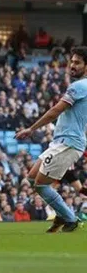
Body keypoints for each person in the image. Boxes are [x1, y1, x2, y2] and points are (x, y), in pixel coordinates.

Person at [15, 46, 87, 233]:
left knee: (40, 184)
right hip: (61, 142)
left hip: (68, 142)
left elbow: (56, 110)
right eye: (71, 61)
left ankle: (69, 218)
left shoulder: (80, 86)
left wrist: (32, 129)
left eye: (77, 62)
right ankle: (63, 215)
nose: (72, 65)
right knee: (31, 179)